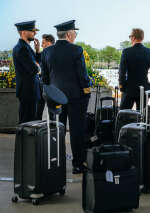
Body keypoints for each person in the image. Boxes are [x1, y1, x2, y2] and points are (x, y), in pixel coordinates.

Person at [41, 20, 92, 174]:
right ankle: (77, 164)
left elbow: (45, 78)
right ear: (69, 34)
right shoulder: (77, 50)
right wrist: (87, 88)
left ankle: (56, 162)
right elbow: (82, 75)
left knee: (56, 130)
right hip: (75, 97)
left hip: (55, 97)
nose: (75, 36)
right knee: (77, 130)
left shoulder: (47, 52)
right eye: (75, 33)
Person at [118, 28, 150, 110]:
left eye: (130, 36)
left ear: (133, 37)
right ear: (142, 38)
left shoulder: (126, 52)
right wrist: (149, 85)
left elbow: (122, 72)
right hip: (143, 89)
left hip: (129, 89)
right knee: (142, 116)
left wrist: (122, 86)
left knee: (123, 116)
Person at [12, 20, 41, 124]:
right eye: (32, 31)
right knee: (27, 123)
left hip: (30, 91)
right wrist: (37, 67)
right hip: (27, 92)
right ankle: (23, 141)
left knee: (30, 122)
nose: (35, 33)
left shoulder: (26, 47)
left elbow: (36, 65)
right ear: (23, 32)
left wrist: (37, 52)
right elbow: (34, 69)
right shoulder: (22, 48)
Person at [36, 34, 56, 120]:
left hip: (51, 86)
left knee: (52, 112)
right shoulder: (44, 53)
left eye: (43, 43)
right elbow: (38, 59)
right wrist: (37, 51)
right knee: (38, 111)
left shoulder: (56, 54)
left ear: (48, 43)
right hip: (41, 84)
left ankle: (53, 130)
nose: (41, 45)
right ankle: (38, 130)